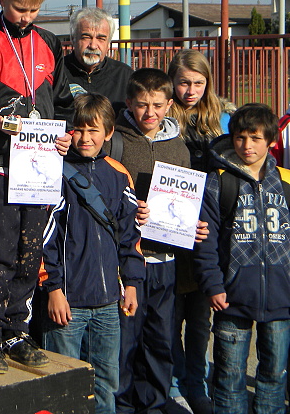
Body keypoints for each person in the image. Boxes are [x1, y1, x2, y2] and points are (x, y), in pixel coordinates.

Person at [0, 0, 73, 373]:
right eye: (18, 8)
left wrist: (65, 134)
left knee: (30, 253)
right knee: (0, 251)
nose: (26, 16)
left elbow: (62, 102)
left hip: (40, 164)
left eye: (34, 10)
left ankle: (16, 330)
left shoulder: (50, 42)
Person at [42, 93, 145, 414]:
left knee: (106, 386)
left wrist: (132, 284)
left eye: (94, 130)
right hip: (67, 303)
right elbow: (43, 239)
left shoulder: (119, 175)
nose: (85, 138)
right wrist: (53, 289)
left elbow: (130, 237)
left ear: (109, 133)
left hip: (108, 304)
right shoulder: (53, 172)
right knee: (64, 387)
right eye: (79, 130)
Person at [195, 103, 290, 414]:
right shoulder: (219, 179)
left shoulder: (286, 182)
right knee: (229, 377)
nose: (247, 145)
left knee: (274, 376)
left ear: (271, 141)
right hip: (231, 296)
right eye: (239, 137)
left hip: (281, 297)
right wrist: (212, 284)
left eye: (255, 138)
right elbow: (205, 240)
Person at [108, 68, 191, 414]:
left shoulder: (179, 147)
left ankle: (156, 403)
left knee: (160, 339)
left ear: (169, 105)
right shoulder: (117, 141)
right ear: (129, 103)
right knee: (126, 341)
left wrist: (194, 223)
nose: (150, 113)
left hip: (165, 261)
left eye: (157, 105)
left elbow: (188, 201)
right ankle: (122, 405)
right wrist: (130, 209)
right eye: (142, 104)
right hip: (127, 261)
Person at [167, 49, 232, 414]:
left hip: (210, 229)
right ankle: (174, 384)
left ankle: (197, 384)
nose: (190, 91)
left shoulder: (222, 118)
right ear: (172, 81)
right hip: (172, 225)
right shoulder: (164, 117)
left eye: (198, 83)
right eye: (183, 83)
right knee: (170, 315)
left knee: (199, 317)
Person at [63, 7, 133, 114]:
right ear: (73, 39)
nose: (93, 46)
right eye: (86, 37)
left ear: (108, 43)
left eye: (101, 39)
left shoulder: (124, 76)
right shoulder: (56, 72)